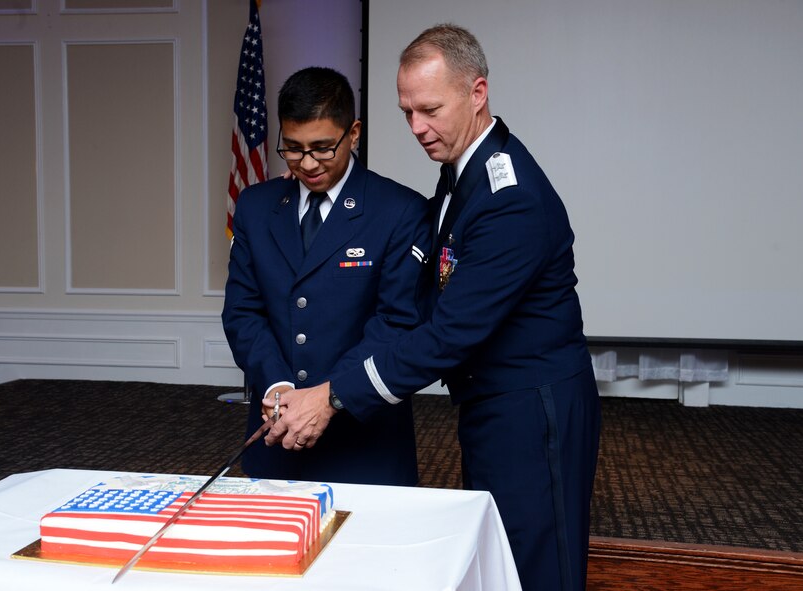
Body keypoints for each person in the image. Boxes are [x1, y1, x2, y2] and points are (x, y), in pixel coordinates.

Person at [265, 26, 601, 591]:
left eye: (430, 109)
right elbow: (433, 276)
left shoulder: (507, 198)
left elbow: (448, 333)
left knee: (538, 564)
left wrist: (334, 393)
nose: (417, 127)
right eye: (406, 112)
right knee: (500, 556)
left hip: (531, 407)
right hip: (493, 401)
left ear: (477, 93)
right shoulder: (464, 169)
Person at [222, 66, 430, 486]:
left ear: (353, 134)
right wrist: (277, 384)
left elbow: (395, 324)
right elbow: (243, 312)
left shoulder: (399, 210)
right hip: (276, 439)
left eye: (322, 148)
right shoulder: (256, 207)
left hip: (365, 443)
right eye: (294, 149)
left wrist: (329, 396)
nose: (308, 163)